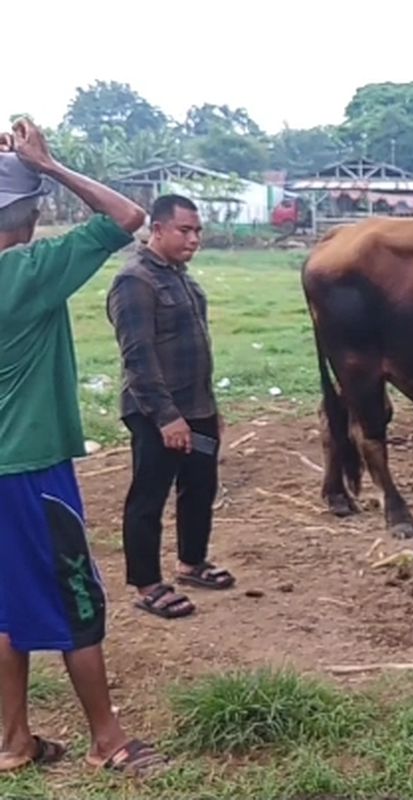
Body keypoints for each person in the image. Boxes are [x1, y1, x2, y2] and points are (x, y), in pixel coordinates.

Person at [0, 118, 166, 775]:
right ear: (31, 213)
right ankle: (109, 741)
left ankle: (12, 743)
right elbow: (130, 215)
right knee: (77, 599)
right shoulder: (26, 273)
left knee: (8, 605)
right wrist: (53, 164)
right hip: (30, 471)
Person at [107, 195, 235, 621]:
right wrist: (167, 417)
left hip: (196, 406)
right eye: (185, 230)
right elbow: (138, 359)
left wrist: (207, 408)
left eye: (197, 231)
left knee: (200, 485)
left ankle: (191, 562)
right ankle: (146, 584)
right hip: (155, 412)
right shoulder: (135, 281)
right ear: (157, 229)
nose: (194, 239)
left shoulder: (180, 277)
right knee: (149, 496)